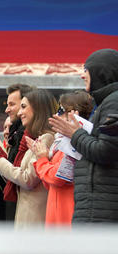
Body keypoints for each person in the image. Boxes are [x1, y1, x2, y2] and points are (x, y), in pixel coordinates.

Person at [49, 48, 118, 223]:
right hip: (98, 207)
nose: (82, 75)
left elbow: (106, 150)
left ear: (100, 72)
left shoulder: (114, 102)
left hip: (101, 210)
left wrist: (74, 134)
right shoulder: (107, 102)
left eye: (86, 70)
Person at [0, 89, 57, 228]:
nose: (20, 113)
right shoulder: (38, 139)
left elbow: (27, 179)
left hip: (34, 223)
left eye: (24, 107)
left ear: (38, 108)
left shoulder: (47, 138)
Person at [30, 91, 93, 226]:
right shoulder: (62, 141)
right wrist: (44, 157)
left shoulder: (77, 142)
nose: (56, 115)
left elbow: (57, 178)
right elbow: (48, 183)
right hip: (56, 216)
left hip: (67, 217)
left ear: (73, 113)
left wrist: (42, 159)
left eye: (60, 110)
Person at [0, 83, 35, 220]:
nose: (7, 109)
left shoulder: (32, 136)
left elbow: (22, 177)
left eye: (12, 104)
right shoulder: (16, 135)